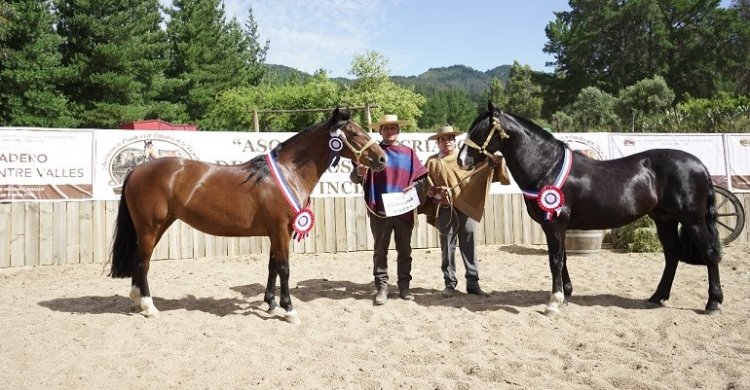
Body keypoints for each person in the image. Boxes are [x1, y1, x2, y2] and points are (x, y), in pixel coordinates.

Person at [351, 114, 428, 305]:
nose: (390, 131)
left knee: (405, 250)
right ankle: (382, 287)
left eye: (393, 128)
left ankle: (404, 287)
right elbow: (355, 177)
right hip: (380, 210)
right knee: (380, 250)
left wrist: (416, 187)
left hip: (403, 209)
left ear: (398, 130)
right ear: (380, 131)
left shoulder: (408, 153)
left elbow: (421, 178)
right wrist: (358, 172)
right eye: (386, 128)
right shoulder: (372, 153)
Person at [424, 125, 507, 298]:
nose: (447, 142)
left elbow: (482, 172)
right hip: (445, 209)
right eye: (443, 139)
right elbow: (426, 187)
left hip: (466, 207)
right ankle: (450, 284)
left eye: (450, 139)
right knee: (447, 247)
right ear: (438, 142)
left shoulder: (466, 157)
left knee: (469, 245)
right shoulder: (431, 162)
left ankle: (473, 283)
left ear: (455, 141)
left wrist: (494, 162)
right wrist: (438, 193)